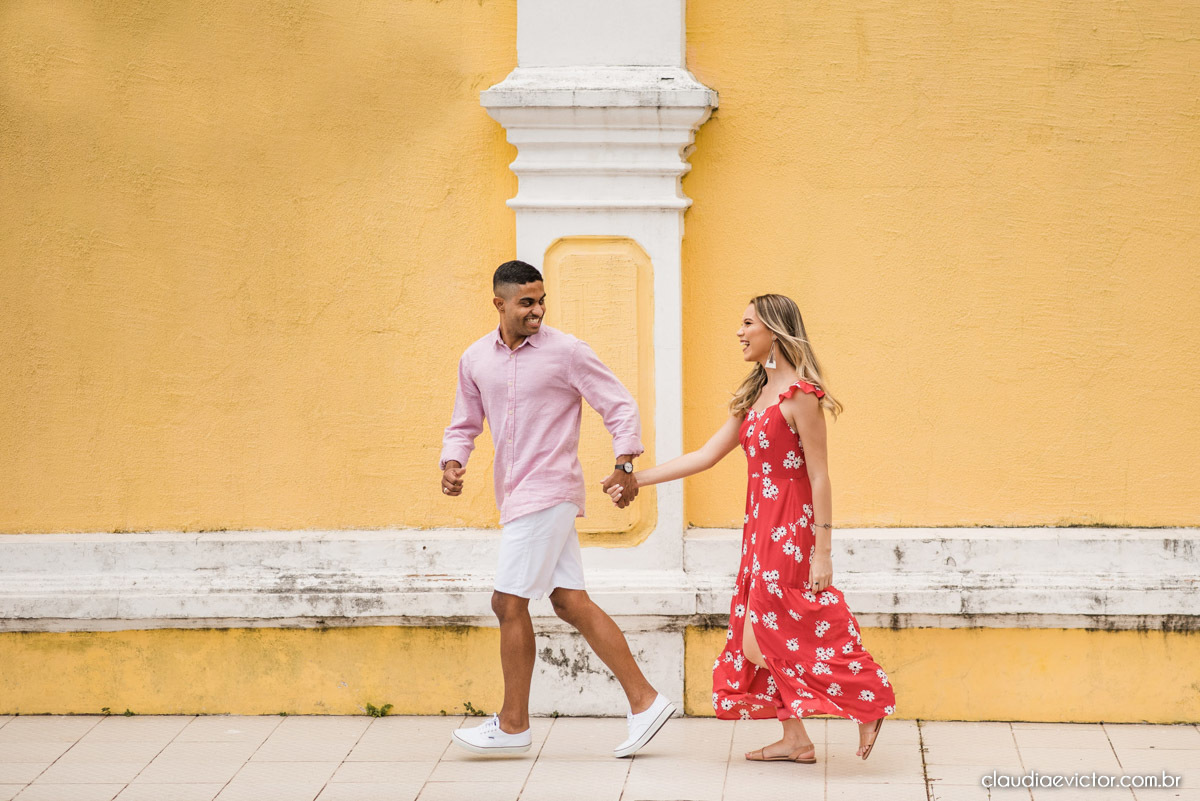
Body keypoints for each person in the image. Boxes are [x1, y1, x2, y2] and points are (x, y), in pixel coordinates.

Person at [607, 293, 894, 763]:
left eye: (747, 324)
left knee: (779, 630)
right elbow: (705, 455)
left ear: (774, 332)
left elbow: (820, 474)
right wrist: (636, 478)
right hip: (760, 527)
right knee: (758, 637)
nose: (739, 333)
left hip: (792, 528)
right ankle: (796, 738)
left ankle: (866, 698)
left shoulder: (801, 395)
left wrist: (824, 551)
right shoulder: (754, 395)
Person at [439, 260, 675, 758]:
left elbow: (618, 404)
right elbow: (464, 422)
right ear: (499, 303)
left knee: (507, 603)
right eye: (526, 302)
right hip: (517, 494)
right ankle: (646, 701)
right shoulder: (475, 358)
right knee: (569, 602)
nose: (537, 310)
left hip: (548, 490)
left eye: (541, 300)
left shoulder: (567, 352)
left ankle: (512, 725)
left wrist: (625, 460)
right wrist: (453, 461)